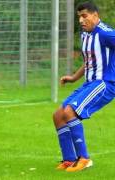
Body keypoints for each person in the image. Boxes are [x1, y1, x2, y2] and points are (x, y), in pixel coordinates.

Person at [53, 1, 115, 172]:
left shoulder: (106, 34)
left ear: (95, 15)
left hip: (105, 83)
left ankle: (84, 159)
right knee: (58, 115)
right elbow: (89, 61)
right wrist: (73, 78)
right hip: (90, 83)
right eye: (79, 16)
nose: (81, 20)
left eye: (84, 16)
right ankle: (69, 159)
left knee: (69, 112)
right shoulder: (85, 34)